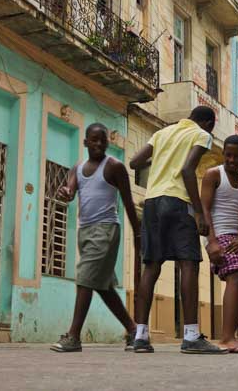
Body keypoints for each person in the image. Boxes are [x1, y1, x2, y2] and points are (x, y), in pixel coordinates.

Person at [129, 106, 224, 354]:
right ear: (208, 124)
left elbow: (135, 162)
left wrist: (162, 157)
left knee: (151, 266)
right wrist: (200, 212)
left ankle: (140, 336)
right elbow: (186, 170)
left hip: (152, 202)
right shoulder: (201, 135)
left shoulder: (162, 133)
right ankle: (191, 336)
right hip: (177, 202)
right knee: (188, 263)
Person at [51, 124, 141, 353]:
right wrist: (65, 193)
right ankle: (133, 331)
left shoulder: (114, 167)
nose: (99, 144)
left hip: (106, 230)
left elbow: (128, 202)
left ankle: (73, 336)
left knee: (85, 277)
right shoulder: (77, 168)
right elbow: (70, 192)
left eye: (103, 140)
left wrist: (138, 234)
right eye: (94, 140)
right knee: (103, 286)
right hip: (86, 231)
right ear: (85, 142)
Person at [200, 135, 238, 353]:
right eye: (228, 155)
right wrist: (212, 241)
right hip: (218, 234)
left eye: (236, 156)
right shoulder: (213, 174)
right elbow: (205, 210)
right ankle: (227, 337)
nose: (231, 160)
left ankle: (230, 333)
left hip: (237, 237)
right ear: (223, 154)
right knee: (235, 276)